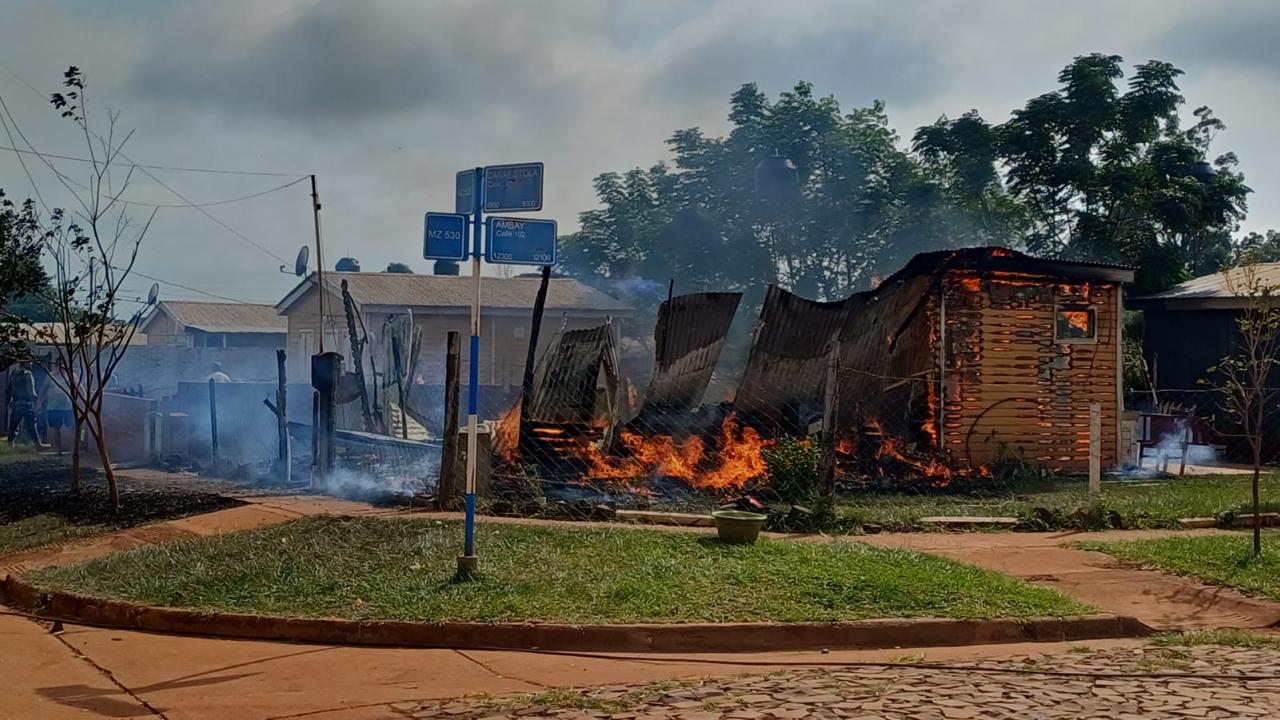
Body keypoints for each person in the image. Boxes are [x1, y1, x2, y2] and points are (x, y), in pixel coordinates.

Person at [5, 361, 41, 446]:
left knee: (13, 426)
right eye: (30, 362)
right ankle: (38, 444)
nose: (31, 364)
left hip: (15, 403)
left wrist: (9, 401)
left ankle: (10, 445)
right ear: (25, 363)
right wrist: (37, 401)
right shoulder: (28, 374)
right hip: (26, 404)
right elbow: (30, 391)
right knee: (31, 424)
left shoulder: (14, 373)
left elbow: (8, 388)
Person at [43, 376, 75, 455]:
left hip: (67, 406)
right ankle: (58, 450)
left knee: (70, 428)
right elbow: (44, 389)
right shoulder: (50, 376)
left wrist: (84, 397)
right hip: (53, 407)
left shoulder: (71, 375)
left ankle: (73, 450)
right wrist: (39, 401)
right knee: (56, 429)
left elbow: (78, 386)